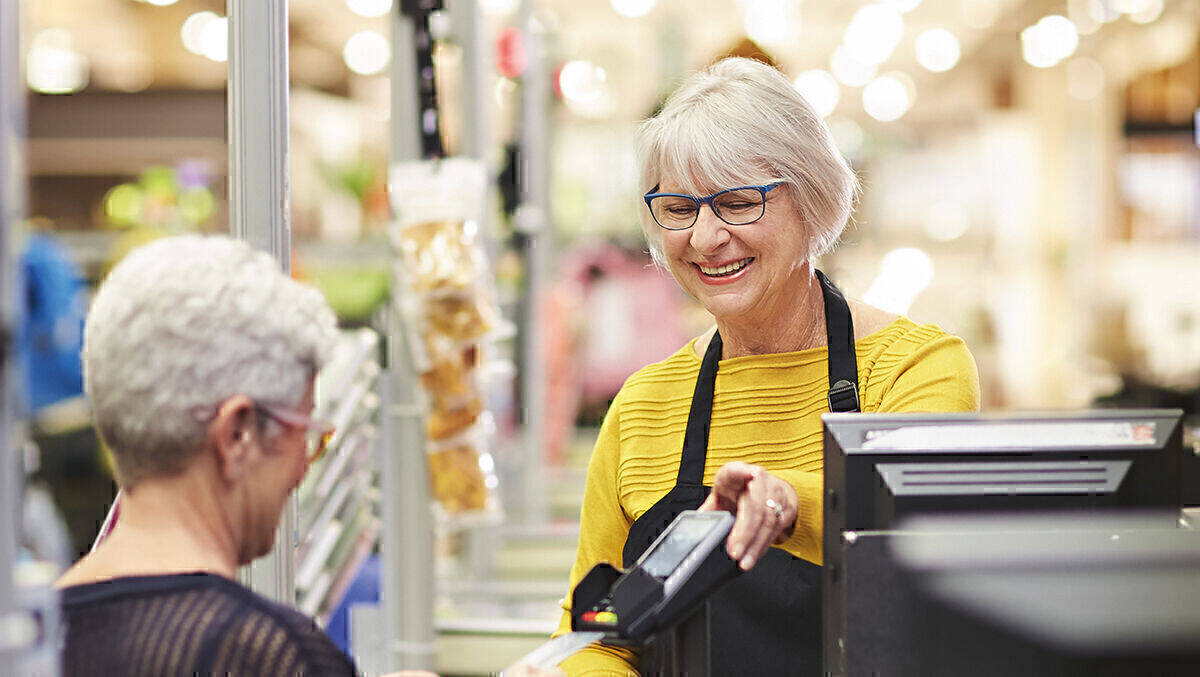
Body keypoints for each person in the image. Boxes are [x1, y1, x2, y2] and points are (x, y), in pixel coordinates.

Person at [555, 57, 980, 676]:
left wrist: (787, 503)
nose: (705, 238)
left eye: (736, 202)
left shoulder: (915, 369)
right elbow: (595, 636)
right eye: (679, 208)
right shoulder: (644, 406)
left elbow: (916, 538)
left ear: (812, 198)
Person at [56, 235, 557, 677]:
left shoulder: (37, 637)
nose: (304, 466)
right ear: (237, 435)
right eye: (306, 432)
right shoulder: (264, 654)